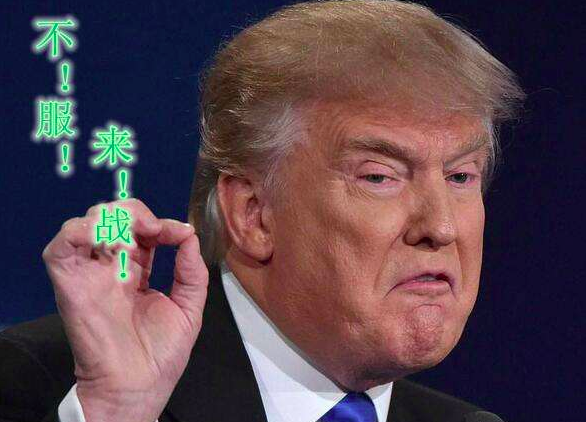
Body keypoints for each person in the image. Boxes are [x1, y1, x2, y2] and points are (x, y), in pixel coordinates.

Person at [0, 1, 524, 421]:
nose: (441, 227)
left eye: (461, 176)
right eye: (379, 177)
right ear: (254, 215)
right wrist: (119, 411)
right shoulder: (49, 386)